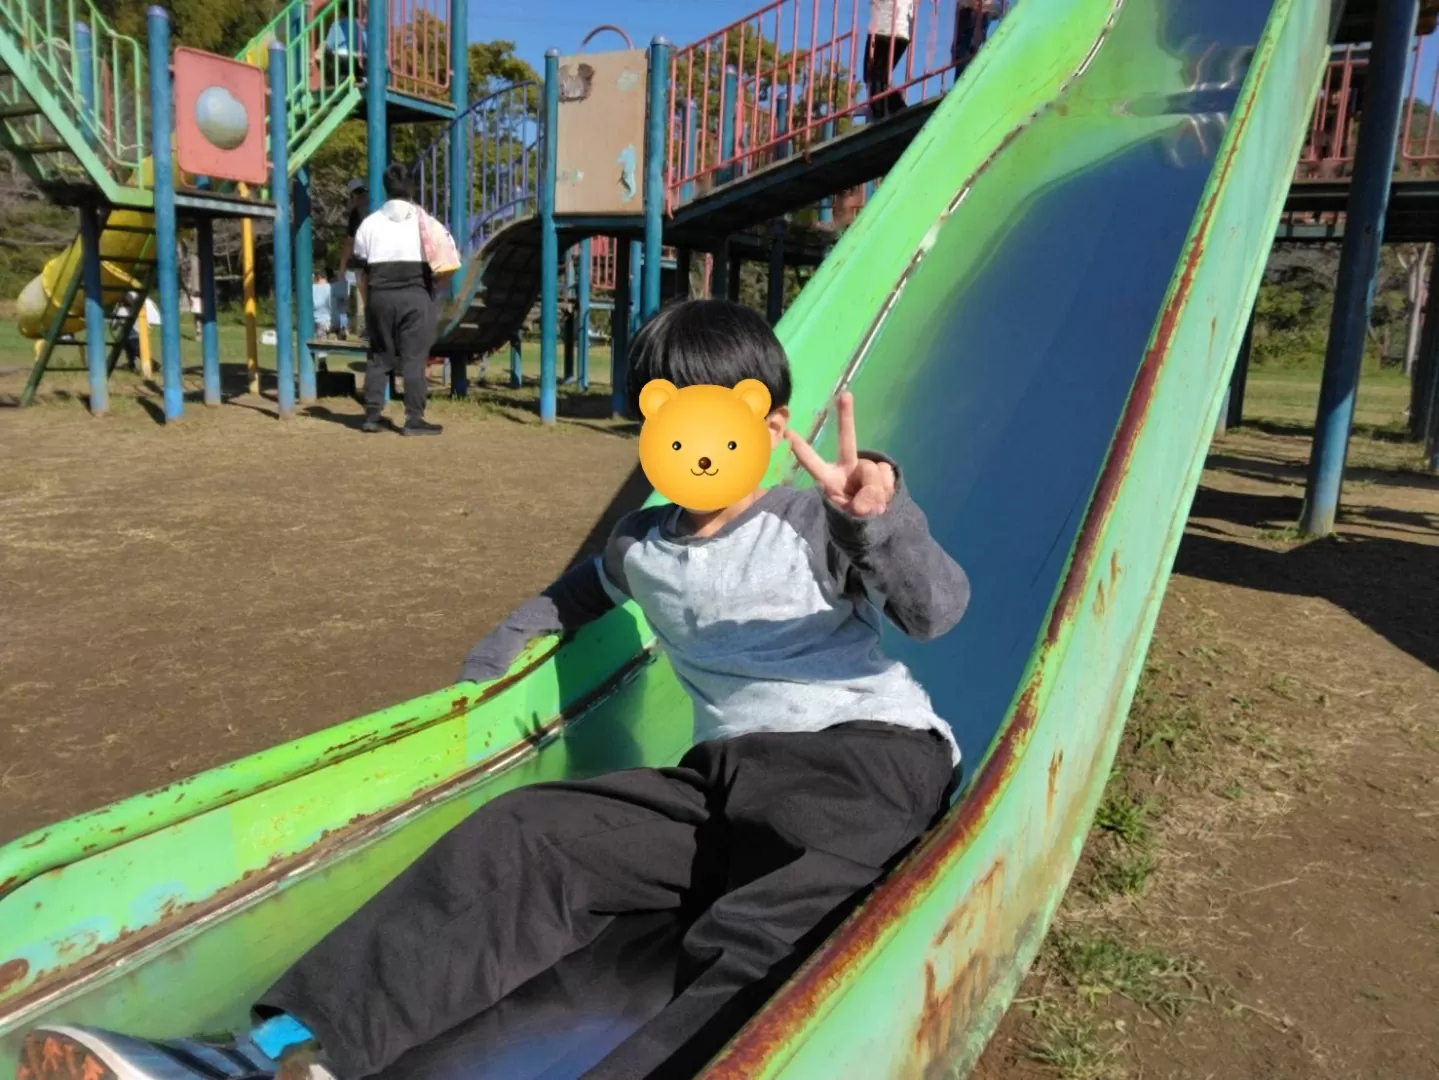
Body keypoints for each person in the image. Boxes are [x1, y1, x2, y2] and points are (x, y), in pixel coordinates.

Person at [20, 299, 970, 1080]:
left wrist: (877, 523)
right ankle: (273, 1055)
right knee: (526, 833)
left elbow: (934, 612)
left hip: (858, 758)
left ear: (769, 424)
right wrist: (481, 684)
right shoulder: (639, 546)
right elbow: (565, 602)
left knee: (770, 925)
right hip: (713, 782)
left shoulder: (815, 521)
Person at [351, 162, 454, 436]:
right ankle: (414, 419)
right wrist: (434, 293)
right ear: (412, 188)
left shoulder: (369, 224)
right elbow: (449, 261)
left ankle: (372, 415)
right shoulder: (427, 222)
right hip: (416, 295)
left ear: (385, 188)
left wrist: (369, 303)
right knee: (413, 359)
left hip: (379, 295)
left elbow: (360, 273)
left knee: (379, 355)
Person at [865, 0, 916, 120]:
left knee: (874, 74)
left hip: (883, 31)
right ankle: (897, 106)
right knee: (882, 74)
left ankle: (882, 112)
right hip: (902, 33)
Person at [336, 178, 367, 341]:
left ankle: (367, 329)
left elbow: (350, 242)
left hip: (364, 262)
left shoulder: (357, 214)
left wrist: (342, 267)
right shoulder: (379, 207)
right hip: (382, 260)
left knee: (365, 298)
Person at [311, 268, 333, 339]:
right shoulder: (330, 288)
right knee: (321, 344)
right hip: (325, 321)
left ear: (317, 277)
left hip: (313, 320)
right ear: (325, 277)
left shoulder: (311, 288)